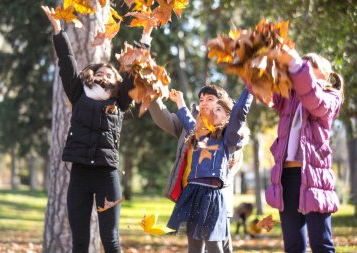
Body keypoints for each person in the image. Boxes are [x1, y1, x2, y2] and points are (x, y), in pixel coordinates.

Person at [41, 5, 151, 253]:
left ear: (117, 82)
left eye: (110, 74)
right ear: (91, 75)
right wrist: (58, 30)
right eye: (100, 72)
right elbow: (67, 62)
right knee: (79, 242)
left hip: (107, 176)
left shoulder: (120, 100)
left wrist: (145, 37)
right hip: (79, 174)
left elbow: (135, 71)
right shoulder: (78, 93)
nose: (104, 75)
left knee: (110, 240)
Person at [248, 47, 344, 253]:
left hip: (314, 177)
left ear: (325, 73)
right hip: (288, 176)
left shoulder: (330, 97)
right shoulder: (288, 98)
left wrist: (295, 64)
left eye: (308, 68)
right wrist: (250, 62)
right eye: (300, 69)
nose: (302, 72)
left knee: (321, 244)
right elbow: (261, 89)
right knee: (293, 245)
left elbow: (313, 99)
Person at [148, 84, 243, 253]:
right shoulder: (193, 126)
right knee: (195, 245)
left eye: (210, 99)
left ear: (222, 106)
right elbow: (179, 119)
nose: (204, 103)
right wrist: (162, 98)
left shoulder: (228, 131)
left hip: (216, 197)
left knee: (220, 245)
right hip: (193, 194)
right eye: (201, 100)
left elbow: (234, 160)